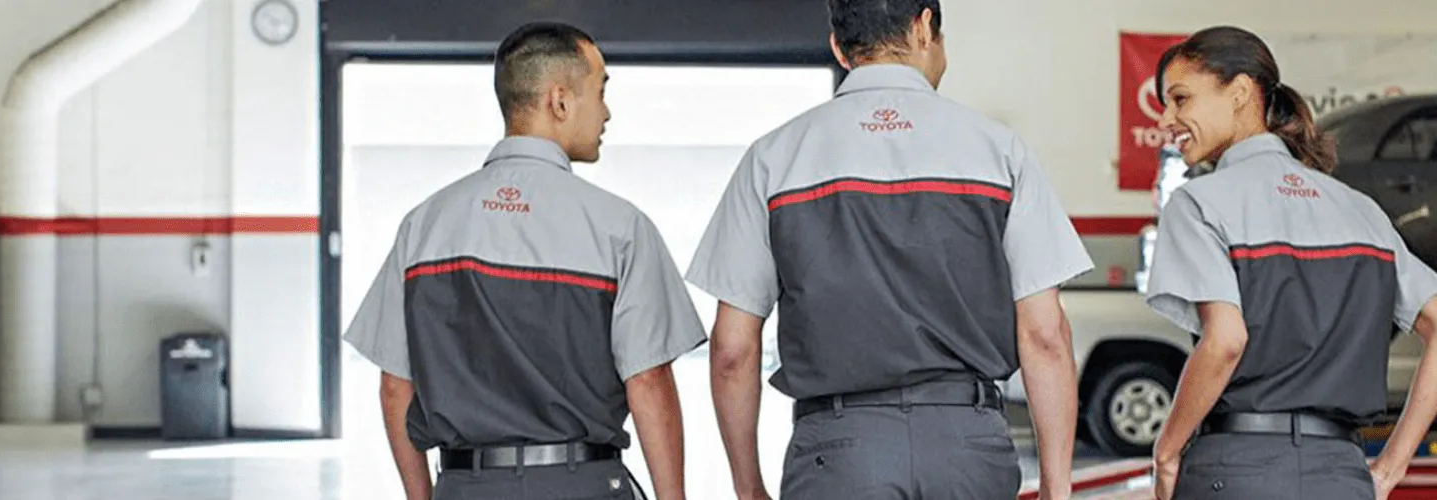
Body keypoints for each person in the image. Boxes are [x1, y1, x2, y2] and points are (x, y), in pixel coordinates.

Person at [683, 1, 1091, 498]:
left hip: (836, 455)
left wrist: (749, 489)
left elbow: (732, 350)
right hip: (968, 451)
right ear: (924, 27)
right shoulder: (1000, 151)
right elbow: (1045, 335)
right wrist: (1056, 486)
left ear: (839, 47)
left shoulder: (774, 158)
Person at [341, 21, 706, 500]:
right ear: (560, 101)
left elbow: (395, 386)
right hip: (582, 485)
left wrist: (422, 496)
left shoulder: (424, 226)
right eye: (600, 92)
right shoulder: (619, 227)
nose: (606, 112)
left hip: (463, 487)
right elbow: (649, 380)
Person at [1139, 27, 1437, 500]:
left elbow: (1225, 341)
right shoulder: (1361, 210)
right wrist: (1389, 469)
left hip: (1235, 471)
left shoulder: (1199, 203)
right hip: (1341, 474)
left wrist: (1167, 451)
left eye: (1180, 99)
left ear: (1240, 92)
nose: (1167, 119)